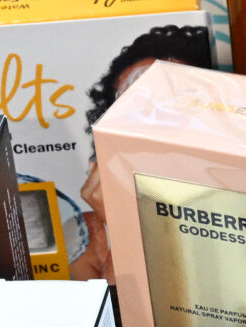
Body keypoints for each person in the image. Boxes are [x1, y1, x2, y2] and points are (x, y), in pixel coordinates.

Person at [67, 23, 212, 283]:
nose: (156, 129)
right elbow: (125, 307)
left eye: (173, 107)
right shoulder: (87, 234)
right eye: (135, 111)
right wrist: (124, 225)